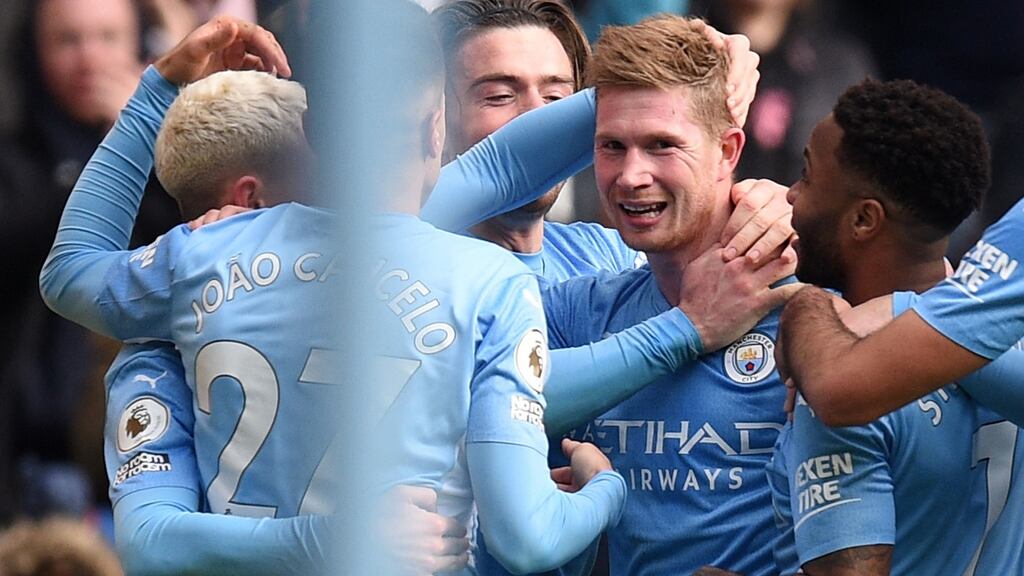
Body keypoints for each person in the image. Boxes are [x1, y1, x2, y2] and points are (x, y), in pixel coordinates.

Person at [42, 3, 628, 575]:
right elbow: (526, 538)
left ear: (313, 130)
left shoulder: (204, 255)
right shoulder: (488, 279)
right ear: (437, 128)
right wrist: (606, 487)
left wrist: (159, 87)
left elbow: (68, 272)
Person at [538, 15, 801, 574]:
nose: (631, 176)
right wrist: (686, 328)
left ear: (728, 152)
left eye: (662, 145)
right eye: (612, 145)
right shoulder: (575, 313)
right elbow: (476, 407)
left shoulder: (810, 305)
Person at [766, 78, 1004, 575]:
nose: (790, 194)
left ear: (864, 220)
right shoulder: (1011, 337)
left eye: (806, 176)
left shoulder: (845, 375)